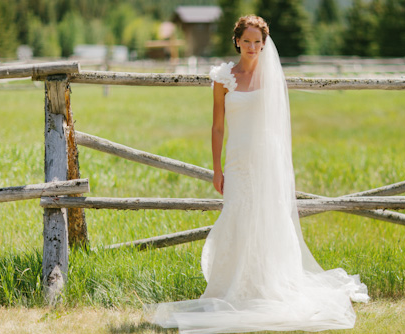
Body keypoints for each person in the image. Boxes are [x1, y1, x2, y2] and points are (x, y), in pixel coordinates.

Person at [146, 15, 369, 333]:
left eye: (257, 42)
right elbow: (218, 126)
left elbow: (279, 125)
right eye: (247, 41)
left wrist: (280, 168)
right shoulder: (223, 78)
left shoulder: (271, 77)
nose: (252, 47)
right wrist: (217, 168)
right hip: (237, 163)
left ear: (265, 45)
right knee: (238, 216)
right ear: (236, 41)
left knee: (268, 219)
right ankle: (234, 288)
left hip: (266, 162)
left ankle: (268, 285)